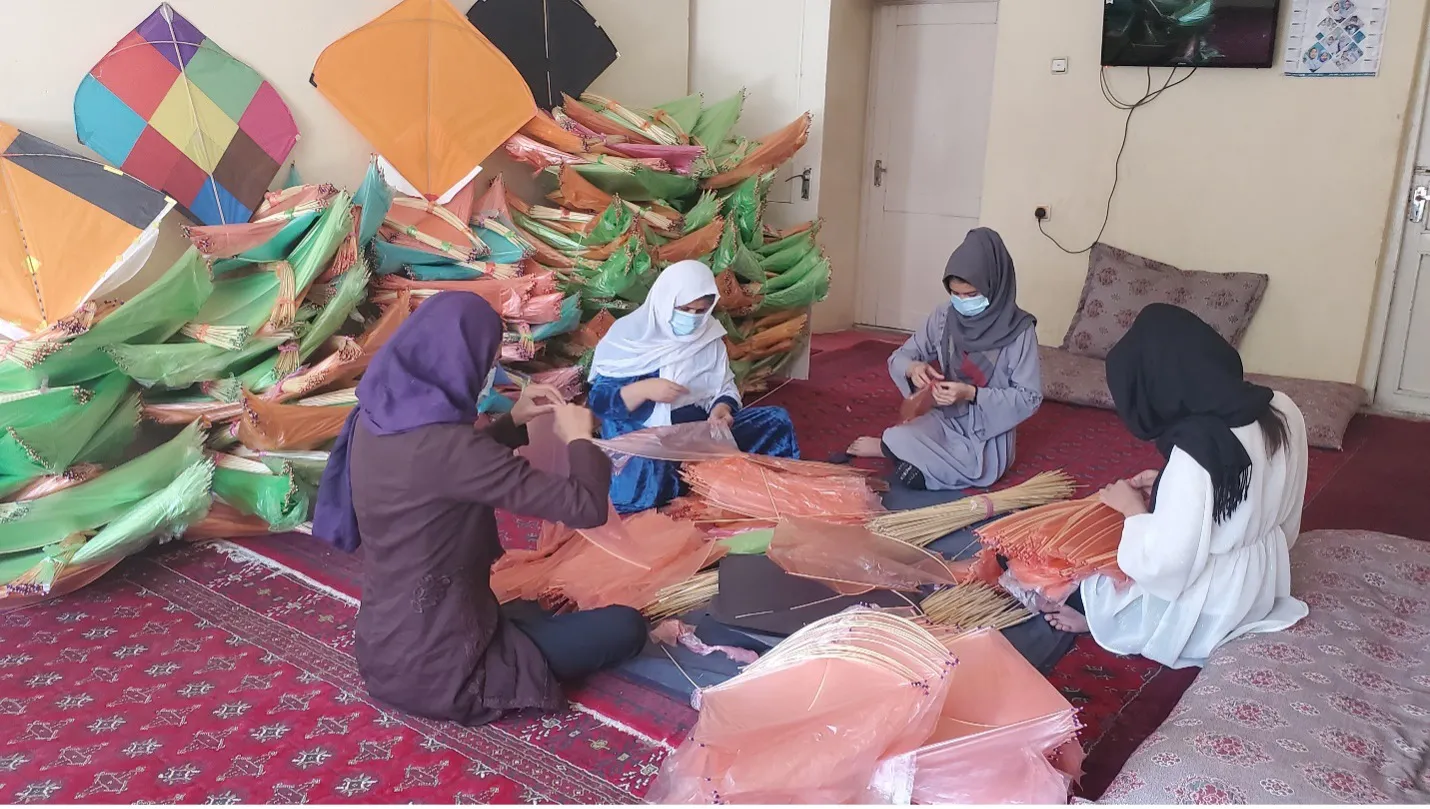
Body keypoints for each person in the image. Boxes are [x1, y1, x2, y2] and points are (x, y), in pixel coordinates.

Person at [312, 292, 648, 727]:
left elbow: (440, 472)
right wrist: (580, 439)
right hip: (443, 671)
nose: (488, 375)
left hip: (382, 650)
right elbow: (584, 507)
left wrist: (514, 420)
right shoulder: (452, 449)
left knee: (535, 609)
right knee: (626, 628)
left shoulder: (375, 417)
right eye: (487, 364)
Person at [1043, 303, 1310, 670]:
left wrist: (1133, 509)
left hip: (1213, 604)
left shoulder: (1195, 451)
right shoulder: (1283, 408)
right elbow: (1276, 503)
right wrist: (1169, 485)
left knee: (1089, 586)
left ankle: (1099, 622)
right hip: (1265, 580)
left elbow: (1165, 567)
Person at [588, 259, 799, 512]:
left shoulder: (708, 336)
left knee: (776, 421)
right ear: (666, 300)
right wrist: (645, 390)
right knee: (648, 468)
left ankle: (701, 476)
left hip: (697, 432)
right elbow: (600, 402)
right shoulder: (629, 336)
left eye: (701, 311)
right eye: (684, 309)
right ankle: (702, 478)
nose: (692, 318)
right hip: (645, 436)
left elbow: (723, 386)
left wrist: (722, 408)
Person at [846, 228, 1041, 490]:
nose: (962, 302)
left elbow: (1029, 397)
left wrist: (971, 393)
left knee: (920, 475)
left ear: (995, 285)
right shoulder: (944, 316)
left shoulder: (1018, 330)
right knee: (897, 437)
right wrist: (913, 368)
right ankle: (895, 449)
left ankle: (899, 454)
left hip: (985, 435)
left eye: (971, 295)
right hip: (944, 418)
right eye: (955, 294)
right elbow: (900, 358)